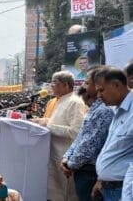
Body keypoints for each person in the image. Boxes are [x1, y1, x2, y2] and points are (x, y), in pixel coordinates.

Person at [60, 66, 114, 201]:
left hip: (89, 171)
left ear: (98, 85)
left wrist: (70, 164)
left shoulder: (104, 110)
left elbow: (90, 144)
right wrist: (67, 157)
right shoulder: (94, 108)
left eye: (87, 82)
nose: (84, 85)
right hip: (82, 168)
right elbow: (81, 137)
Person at [31, 71, 86, 201]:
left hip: (65, 158)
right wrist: (40, 121)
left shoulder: (75, 102)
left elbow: (75, 132)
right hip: (53, 156)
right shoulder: (60, 101)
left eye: (54, 82)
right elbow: (55, 123)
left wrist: (48, 125)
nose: (51, 86)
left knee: (65, 195)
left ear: (66, 85)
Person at [92, 67, 133, 200]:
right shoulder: (117, 110)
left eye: (101, 90)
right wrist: (101, 179)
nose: (98, 96)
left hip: (123, 190)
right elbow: (112, 148)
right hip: (110, 187)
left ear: (116, 85)